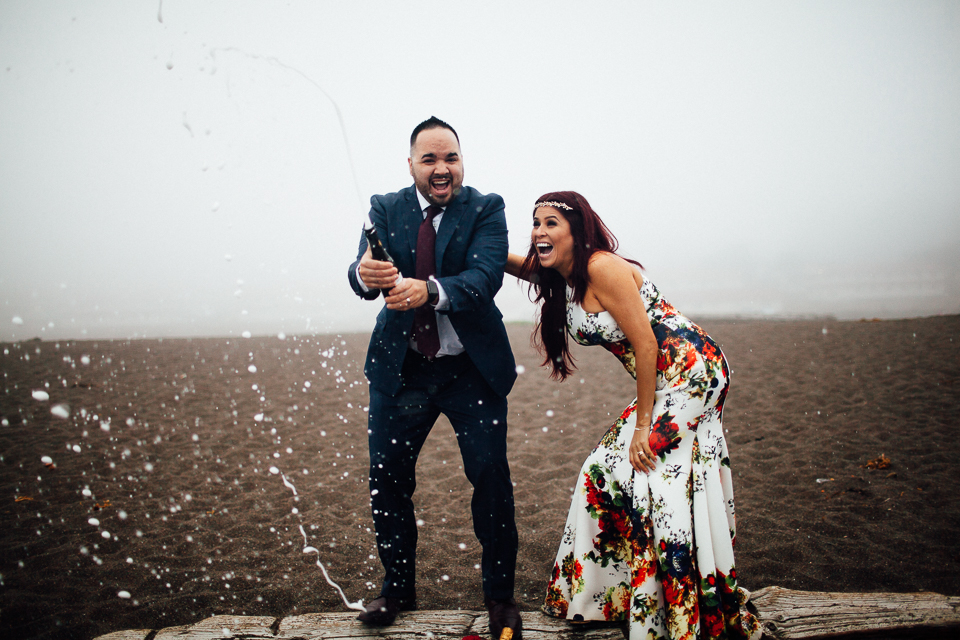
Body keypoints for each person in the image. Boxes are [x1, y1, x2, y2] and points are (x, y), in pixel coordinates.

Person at [505, 192, 760, 640]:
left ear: (576, 232)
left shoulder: (602, 267)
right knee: (600, 472)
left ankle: (678, 611)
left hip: (691, 372)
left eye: (550, 224)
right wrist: (476, 251)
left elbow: (646, 345)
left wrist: (643, 426)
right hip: (665, 379)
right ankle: (607, 598)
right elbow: (524, 265)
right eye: (535, 224)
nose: (539, 233)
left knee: (652, 478)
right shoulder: (566, 274)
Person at [347, 117, 522, 639]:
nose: (442, 169)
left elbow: (485, 277)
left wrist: (429, 290)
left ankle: (499, 597)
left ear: (462, 162)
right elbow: (359, 276)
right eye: (430, 159)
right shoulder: (384, 207)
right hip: (402, 371)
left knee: (490, 478)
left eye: (451, 158)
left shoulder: (487, 208)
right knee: (388, 479)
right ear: (412, 165)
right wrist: (364, 273)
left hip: (472, 370)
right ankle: (397, 589)